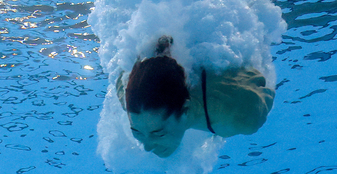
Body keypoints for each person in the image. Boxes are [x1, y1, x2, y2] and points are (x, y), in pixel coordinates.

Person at [116, 36, 274, 158]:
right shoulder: (131, 101)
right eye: (136, 132)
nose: (147, 147)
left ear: (185, 110)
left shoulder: (240, 115)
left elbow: (265, 77)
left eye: (159, 134)